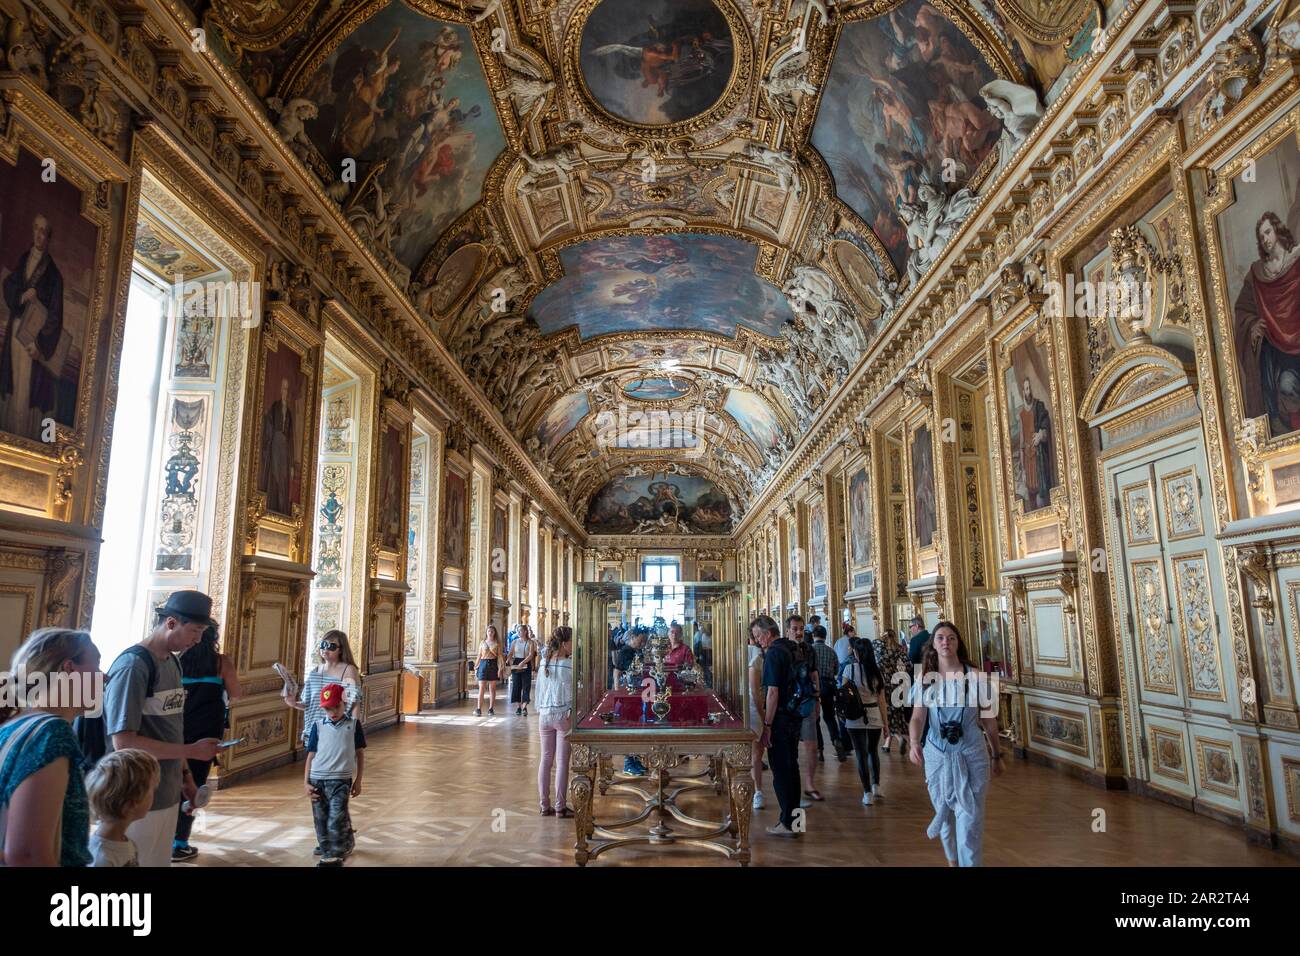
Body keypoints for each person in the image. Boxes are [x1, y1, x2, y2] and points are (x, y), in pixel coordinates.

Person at [104, 590, 222, 867]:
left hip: (166, 791)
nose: (198, 639)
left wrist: (186, 777)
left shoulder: (174, 663)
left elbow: (171, 728)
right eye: (195, 630)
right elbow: (124, 743)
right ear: (171, 623)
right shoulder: (134, 666)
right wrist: (191, 750)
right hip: (136, 794)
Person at [0, 628, 102, 866]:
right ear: (70, 669)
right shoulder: (51, 733)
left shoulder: (16, 724)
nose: (104, 676)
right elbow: (27, 856)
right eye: (97, 666)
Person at [908, 621, 1003, 867]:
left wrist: (997, 755)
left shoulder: (977, 677)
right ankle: (953, 862)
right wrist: (914, 742)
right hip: (937, 757)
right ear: (933, 644)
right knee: (946, 819)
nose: (945, 642)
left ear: (958, 643)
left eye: (951, 638)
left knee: (970, 820)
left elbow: (989, 721)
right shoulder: (925, 679)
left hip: (972, 756)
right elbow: (918, 716)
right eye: (940, 638)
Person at [173, 624, 242, 862]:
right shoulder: (220, 662)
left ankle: (164, 836)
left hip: (177, 728)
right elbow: (236, 693)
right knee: (196, 783)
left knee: (172, 781)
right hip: (206, 733)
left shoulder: (176, 659)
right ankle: (179, 842)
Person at [304, 683, 366, 867]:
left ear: (344, 704)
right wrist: (305, 782)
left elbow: (360, 753)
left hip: (341, 780)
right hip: (317, 779)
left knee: (336, 817)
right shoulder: (318, 726)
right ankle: (331, 844)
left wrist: (358, 780)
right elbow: (311, 755)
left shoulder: (353, 725)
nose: (332, 712)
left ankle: (334, 854)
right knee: (320, 820)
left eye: (336, 707)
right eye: (328, 708)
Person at [758, 614, 806, 837]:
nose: (758, 641)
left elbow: (773, 692)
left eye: (759, 636)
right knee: (792, 769)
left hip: (780, 719)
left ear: (768, 633)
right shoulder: (793, 647)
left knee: (781, 773)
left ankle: (787, 823)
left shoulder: (773, 653)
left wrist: (767, 724)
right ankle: (797, 823)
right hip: (795, 716)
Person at [285, 629, 362, 746]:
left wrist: (355, 732)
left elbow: (355, 705)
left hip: (338, 733)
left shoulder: (348, 671)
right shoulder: (314, 673)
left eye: (331, 646)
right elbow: (308, 705)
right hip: (314, 733)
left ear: (341, 650)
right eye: (323, 644)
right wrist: (293, 703)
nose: (325, 649)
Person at [86, 748, 160, 867]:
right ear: (132, 803)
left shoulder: (126, 843)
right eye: (152, 790)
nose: (155, 795)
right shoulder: (101, 858)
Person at [840, 638, 889, 805]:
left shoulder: (849, 669)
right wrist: (886, 724)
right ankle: (876, 785)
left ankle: (866, 791)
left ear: (856, 652)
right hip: (874, 713)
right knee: (873, 751)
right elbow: (882, 701)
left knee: (860, 754)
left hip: (855, 716)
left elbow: (844, 695)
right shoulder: (876, 672)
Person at [535, 626, 574, 817]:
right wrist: (572, 711)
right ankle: (560, 806)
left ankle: (543, 804)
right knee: (561, 763)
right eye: (572, 642)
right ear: (565, 643)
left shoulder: (544, 662)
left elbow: (539, 691)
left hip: (544, 716)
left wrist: (541, 710)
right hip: (562, 717)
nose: (574, 645)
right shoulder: (569, 664)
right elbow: (573, 693)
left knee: (545, 760)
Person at [791, 619, 823, 803]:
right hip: (789, 704)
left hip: (807, 701)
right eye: (795, 629)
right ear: (787, 630)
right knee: (791, 748)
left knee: (812, 746)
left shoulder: (809, 650)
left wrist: (817, 698)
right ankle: (794, 785)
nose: (799, 632)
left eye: (801, 629)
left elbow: (814, 673)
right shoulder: (784, 649)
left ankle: (810, 784)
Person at [747, 617, 777, 811]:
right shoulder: (757, 657)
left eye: (759, 635)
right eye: (756, 636)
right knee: (756, 753)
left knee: (758, 753)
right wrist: (764, 717)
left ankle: (758, 791)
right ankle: (757, 791)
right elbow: (756, 692)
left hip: (764, 708)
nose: (758, 639)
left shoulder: (764, 654)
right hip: (756, 709)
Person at [810, 624, 847, 763]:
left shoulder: (810, 650)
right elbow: (837, 669)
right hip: (829, 685)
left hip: (814, 686)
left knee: (816, 719)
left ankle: (820, 750)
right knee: (830, 716)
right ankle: (836, 739)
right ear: (825, 637)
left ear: (814, 636)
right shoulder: (831, 651)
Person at [873, 628, 909, 753]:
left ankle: (899, 738)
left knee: (886, 714)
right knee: (896, 714)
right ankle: (889, 743)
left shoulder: (877, 646)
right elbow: (907, 665)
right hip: (897, 684)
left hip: (882, 684)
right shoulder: (898, 648)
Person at [507, 624, 536, 716]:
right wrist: (508, 661)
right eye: (518, 631)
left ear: (525, 631)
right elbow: (510, 653)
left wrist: (523, 662)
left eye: (521, 631)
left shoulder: (530, 642)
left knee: (526, 686)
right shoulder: (514, 642)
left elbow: (531, 655)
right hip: (516, 664)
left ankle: (524, 707)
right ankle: (519, 707)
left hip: (526, 663)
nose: (519, 633)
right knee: (516, 685)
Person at [475, 624, 503, 717]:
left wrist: (500, 669)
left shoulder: (497, 643)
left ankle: (491, 709)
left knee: (492, 688)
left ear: (494, 633)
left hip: (493, 664)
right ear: (486, 632)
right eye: (489, 631)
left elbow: (499, 657)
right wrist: (476, 666)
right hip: (483, 665)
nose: (490, 633)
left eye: (492, 631)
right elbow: (479, 655)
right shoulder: (482, 642)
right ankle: (478, 709)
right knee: (481, 688)